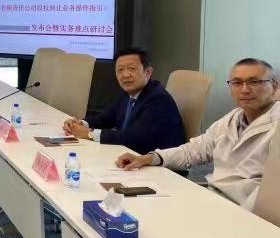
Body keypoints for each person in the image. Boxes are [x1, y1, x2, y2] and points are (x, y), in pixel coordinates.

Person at [116, 58, 280, 210]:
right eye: (237, 83)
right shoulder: (233, 118)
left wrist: (239, 218)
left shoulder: (275, 128)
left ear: (274, 86)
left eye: (254, 82)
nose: (244, 90)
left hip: (246, 211)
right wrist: (148, 158)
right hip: (214, 198)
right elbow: (194, 150)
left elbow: (269, 196)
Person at [63, 47, 185, 155]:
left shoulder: (158, 99)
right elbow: (106, 118)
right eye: (120, 70)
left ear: (147, 72)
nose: (125, 75)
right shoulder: (129, 93)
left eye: (132, 68)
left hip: (160, 166)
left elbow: (135, 139)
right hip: (133, 157)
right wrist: (80, 124)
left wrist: (89, 133)